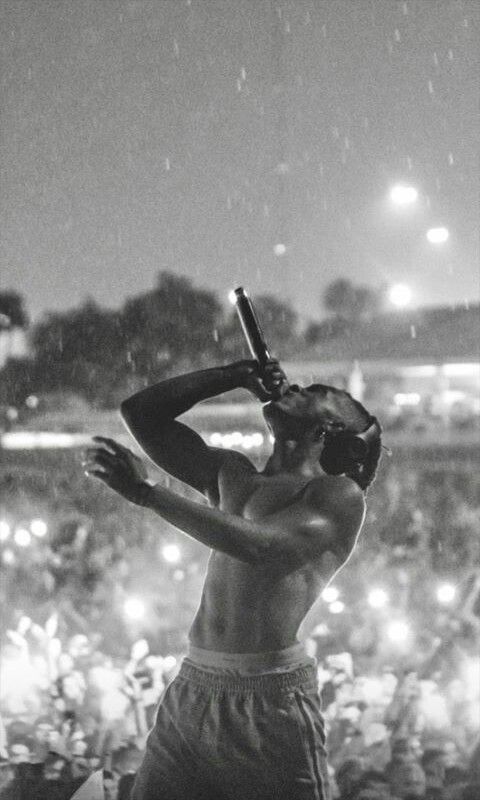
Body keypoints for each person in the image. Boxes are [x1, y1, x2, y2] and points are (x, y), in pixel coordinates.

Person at [85, 359, 383, 800]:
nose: (296, 386)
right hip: (195, 682)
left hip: (268, 699)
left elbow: (260, 547)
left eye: (313, 392)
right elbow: (140, 415)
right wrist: (233, 375)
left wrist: (150, 495)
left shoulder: (336, 495)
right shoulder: (231, 472)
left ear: (327, 430)